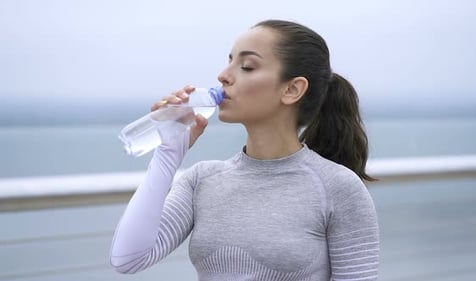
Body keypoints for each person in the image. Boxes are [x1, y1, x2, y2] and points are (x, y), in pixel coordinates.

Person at [110, 19, 379, 280]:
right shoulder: (201, 180)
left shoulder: (338, 187)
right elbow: (128, 259)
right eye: (230, 61)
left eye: (247, 66)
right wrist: (169, 153)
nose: (223, 76)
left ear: (292, 89)